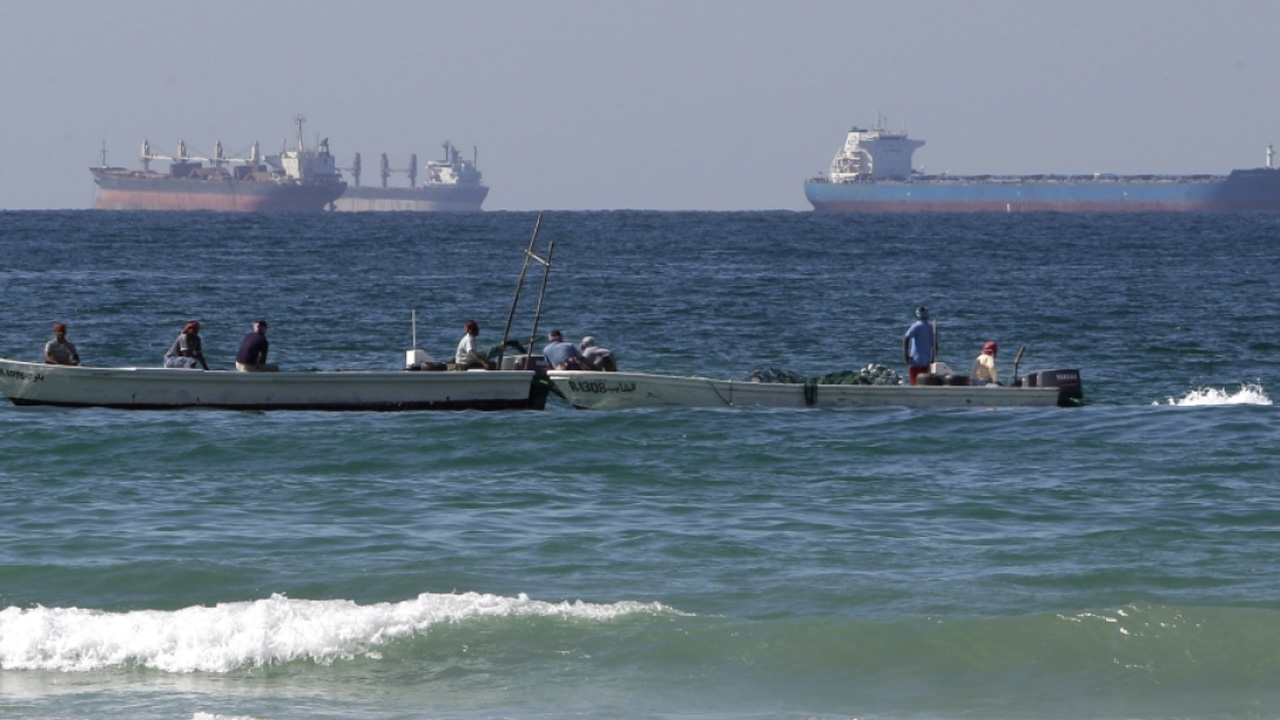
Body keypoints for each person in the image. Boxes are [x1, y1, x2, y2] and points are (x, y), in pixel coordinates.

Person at [902, 306, 936, 386]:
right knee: (924, 384)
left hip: (915, 361)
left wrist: (906, 355)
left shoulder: (916, 326)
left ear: (917, 315)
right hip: (927, 361)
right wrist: (933, 358)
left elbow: (906, 338)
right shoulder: (932, 327)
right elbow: (935, 344)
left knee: (914, 384)